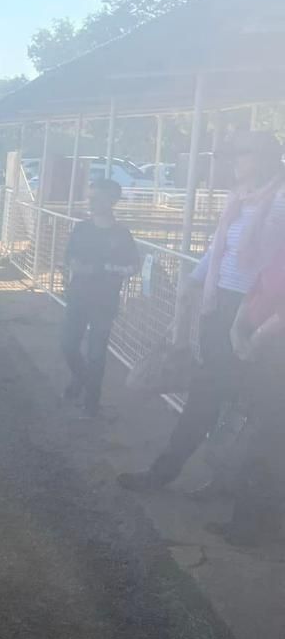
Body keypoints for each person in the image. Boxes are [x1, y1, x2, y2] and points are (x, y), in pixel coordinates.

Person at [120, 130, 285, 491]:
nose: (235, 161)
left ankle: (190, 478)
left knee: (228, 400)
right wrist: (193, 283)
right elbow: (219, 249)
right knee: (216, 396)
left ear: (262, 159)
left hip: (251, 313)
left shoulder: (279, 201)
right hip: (220, 304)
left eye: (243, 152)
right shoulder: (240, 201)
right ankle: (205, 479)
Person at [211, 244, 285, 545]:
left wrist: (255, 337)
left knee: (264, 443)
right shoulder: (277, 253)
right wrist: (236, 329)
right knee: (258, 436)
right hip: (261, 353)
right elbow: (254, 290)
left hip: (274, 355)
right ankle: (250, 521)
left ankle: (252, 527)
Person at [59, 179, 138, 418]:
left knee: (97, 352)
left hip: (104, 301)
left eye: (97, 198)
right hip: (78, 296)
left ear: (111, 201)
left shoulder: (122, 234)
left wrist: (108, 269)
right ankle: (82, 380)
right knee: (68, 345)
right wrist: (78, 268)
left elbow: (133, 265)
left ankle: (92, 401)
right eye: (90, 196)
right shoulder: (81, 228)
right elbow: (70, 257)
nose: (91, 202)